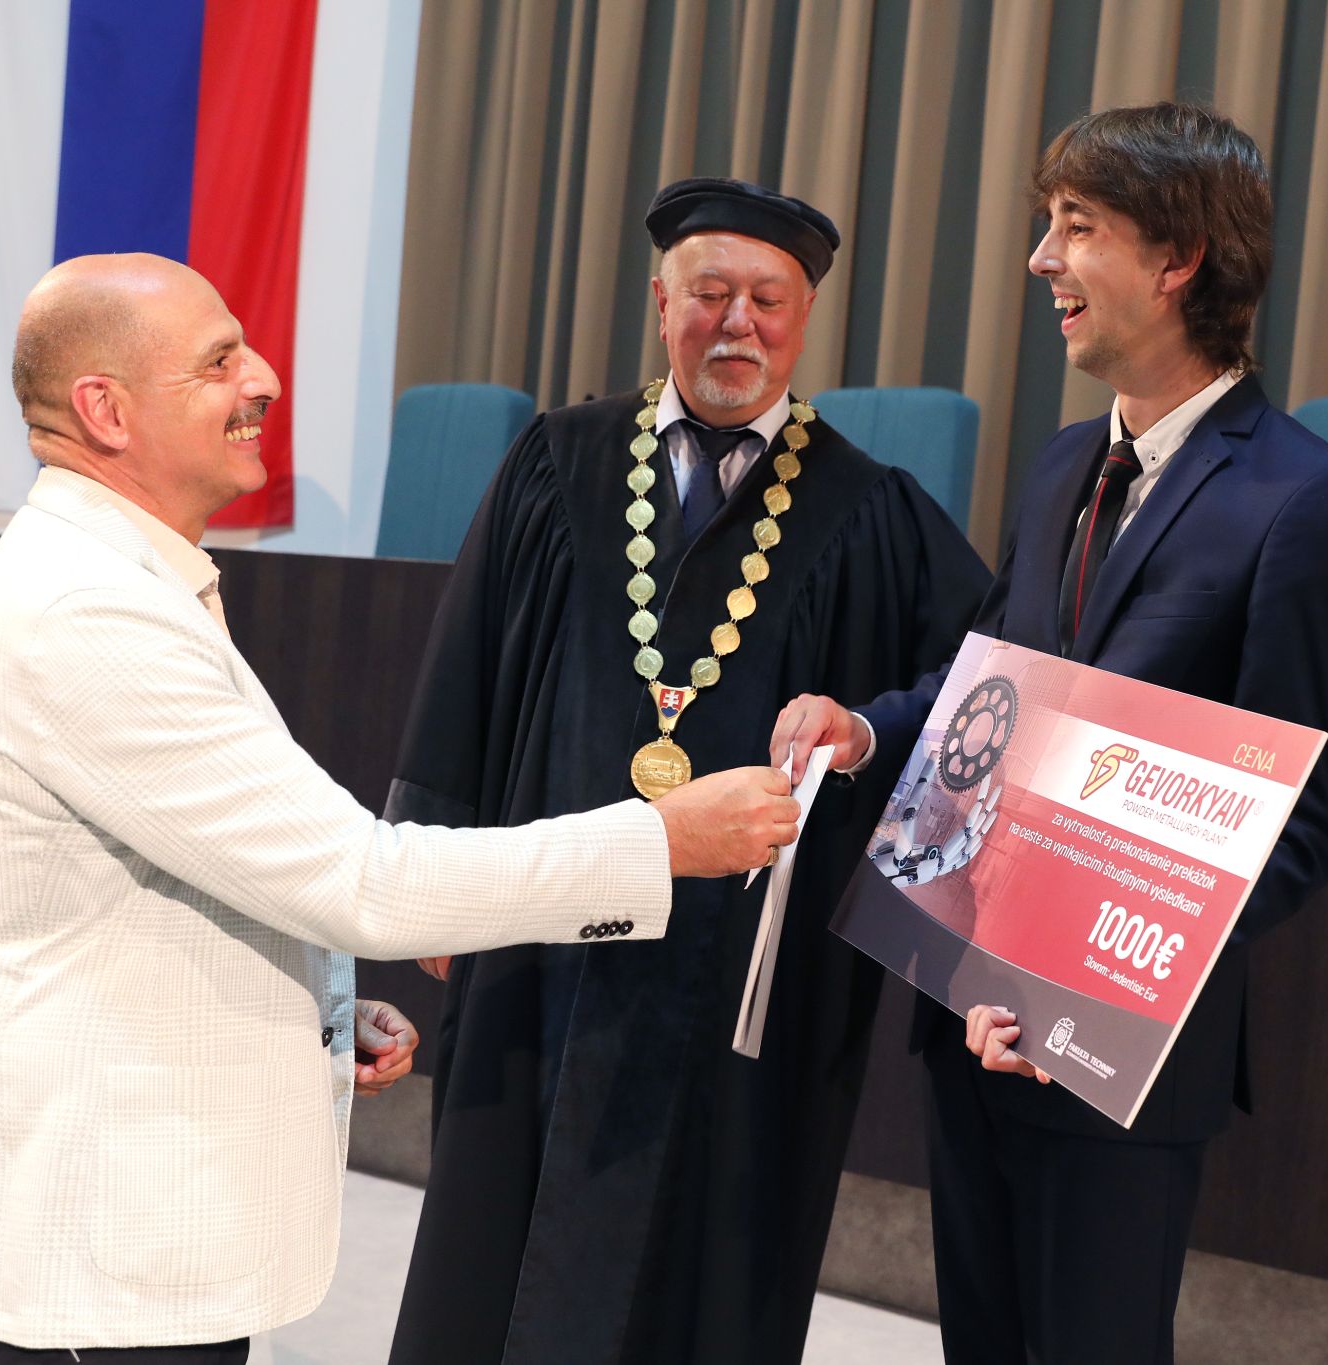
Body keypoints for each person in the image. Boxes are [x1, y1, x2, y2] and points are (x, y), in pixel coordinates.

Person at [0, 253, 799, 1364]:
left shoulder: (122, 577)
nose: (262, 378)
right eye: (217, 363)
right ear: (104, 410)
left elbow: (172, 876)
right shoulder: (88, 612)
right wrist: (660, 843)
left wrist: (297, 1006)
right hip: (86, 1248)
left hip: (121, 1234)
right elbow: (364, 883)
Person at [772, 104, 1328, 1363]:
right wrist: (866, 728)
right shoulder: (1063, 463)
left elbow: (1294, 827)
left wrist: (1069, 997)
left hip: (1113, 1059)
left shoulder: (1311, 505)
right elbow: (988, 685)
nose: (1038, 261)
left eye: (1076, 228)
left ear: (1176, 262)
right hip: (971, 1010)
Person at [385, 179, 991, 1365]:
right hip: (540, 929)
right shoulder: (559, 462)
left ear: (803, 318)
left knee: (711, 1259)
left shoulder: (869, 510)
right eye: (709, 293)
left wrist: (860, 724)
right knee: (495, 1230)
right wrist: (431, 865)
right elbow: (460, 670)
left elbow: (979, 694)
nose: (738, 324)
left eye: (768, 299)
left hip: (744, 975)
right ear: (660, 303)